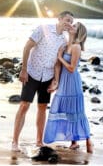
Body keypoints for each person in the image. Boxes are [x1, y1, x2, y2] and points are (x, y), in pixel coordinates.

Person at [11, 11, 74, 151]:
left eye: (71, 21)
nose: (68, 23)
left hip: (48, 76)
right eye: (67, 20)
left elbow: (58, 63)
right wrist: (24, 69)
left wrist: (55, 81)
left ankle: (39, 141)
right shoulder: (43, 29)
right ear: (59, 19)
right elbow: (27, 46)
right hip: (32, 72)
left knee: (42, 107)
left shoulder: (63, 40)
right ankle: (15, 141)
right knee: (24, 105)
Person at [43, 22, 93, 153]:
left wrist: (60, 57)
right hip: (64, 82)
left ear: (78, 32)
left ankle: (88, 140)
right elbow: (58, 66)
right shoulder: (65, 45)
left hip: (72, 81)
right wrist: (56, 82)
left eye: (75, 26)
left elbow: (71, 68)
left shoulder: (76, 47)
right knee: (66, 109)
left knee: (75, 111)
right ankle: (74, 141)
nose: (71, 26)